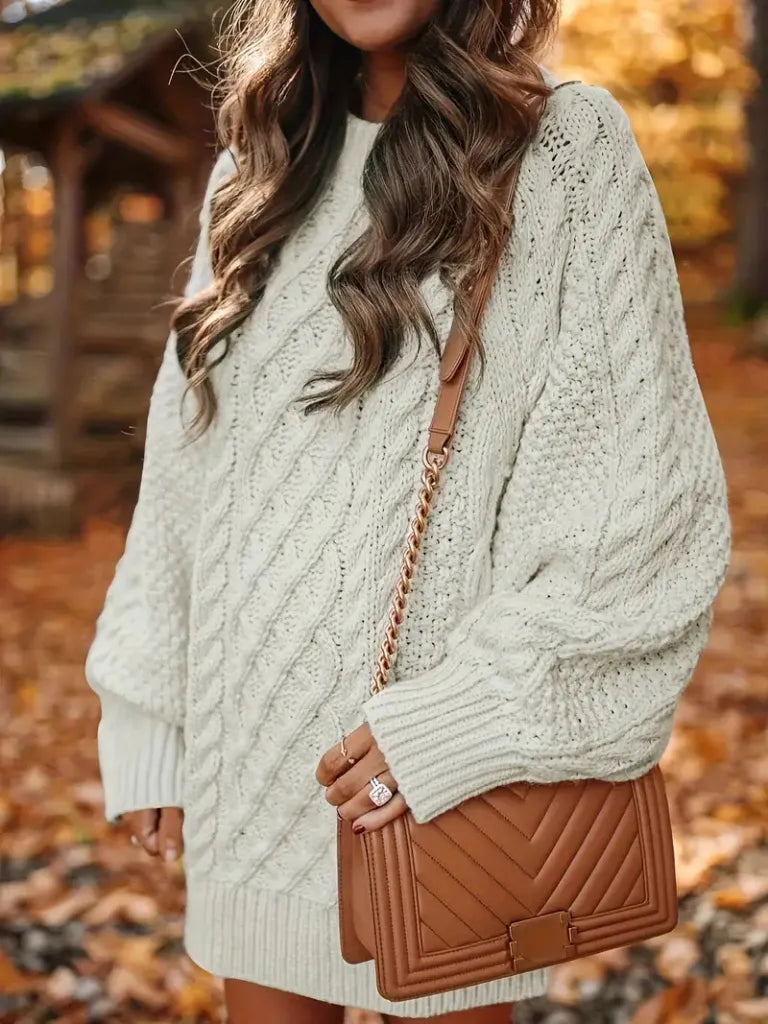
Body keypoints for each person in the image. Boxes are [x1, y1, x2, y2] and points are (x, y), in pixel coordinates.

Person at [84, 0, 731, 1021]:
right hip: (250, 772)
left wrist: (462, 723)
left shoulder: (563, 153)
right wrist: (147, 707)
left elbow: (637, 518)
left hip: (446, 790)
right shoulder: (254, 172)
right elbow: (183, 475)